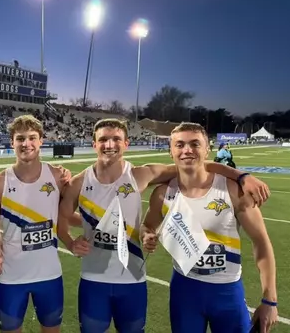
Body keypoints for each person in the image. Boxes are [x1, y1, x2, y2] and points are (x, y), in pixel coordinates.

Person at [58, 118, 270, 333]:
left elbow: (194, 164)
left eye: (116, 139)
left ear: (126, 144)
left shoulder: (141, 175)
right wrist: (70, 241)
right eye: (103, 139)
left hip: (136, 279)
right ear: (94, 144)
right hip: (98, 279)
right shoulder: (79, 182)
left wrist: (241, 175)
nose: (109, 145)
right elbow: (60, 217)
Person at [141, 122, 277, 333]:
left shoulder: (233, 190)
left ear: (207, 149)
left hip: (227, 291)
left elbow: (261, 242)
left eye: (195, 144)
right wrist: (146, 235)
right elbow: (148, 225)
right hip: (184, 290)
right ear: (171, 151)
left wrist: (270, 300)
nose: (187, 150)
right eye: (180, 145)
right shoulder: (162, 194)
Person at [0, 115, 73, 333]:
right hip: (11, 277)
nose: (26, 144)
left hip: (49, 275)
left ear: (41, 141)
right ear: (12, 142)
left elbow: (66, 215)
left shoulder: (57, 176)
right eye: (20, 138)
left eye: (32, 137)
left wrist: (75, 238)